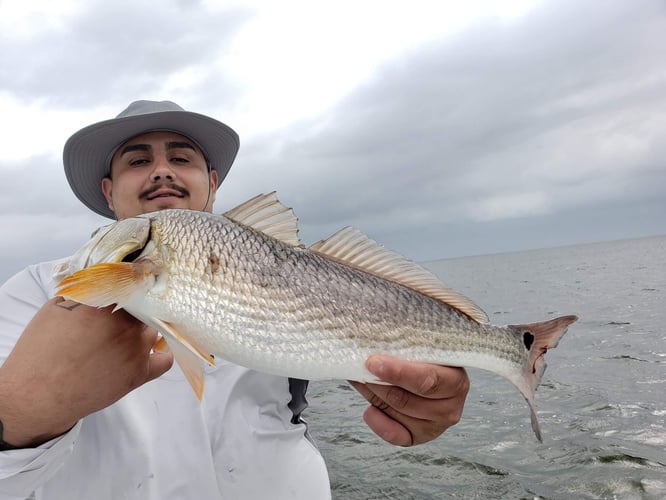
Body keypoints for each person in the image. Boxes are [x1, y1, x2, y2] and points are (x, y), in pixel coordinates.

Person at [0, 101, 469, 499]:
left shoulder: (284, 270)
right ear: (108, 190)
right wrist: (19, 416)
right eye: (138, 161)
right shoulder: (36, 290)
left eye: (181, 158)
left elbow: (361, 344)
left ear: (213, 181)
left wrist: (417, 401)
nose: (162, 170)